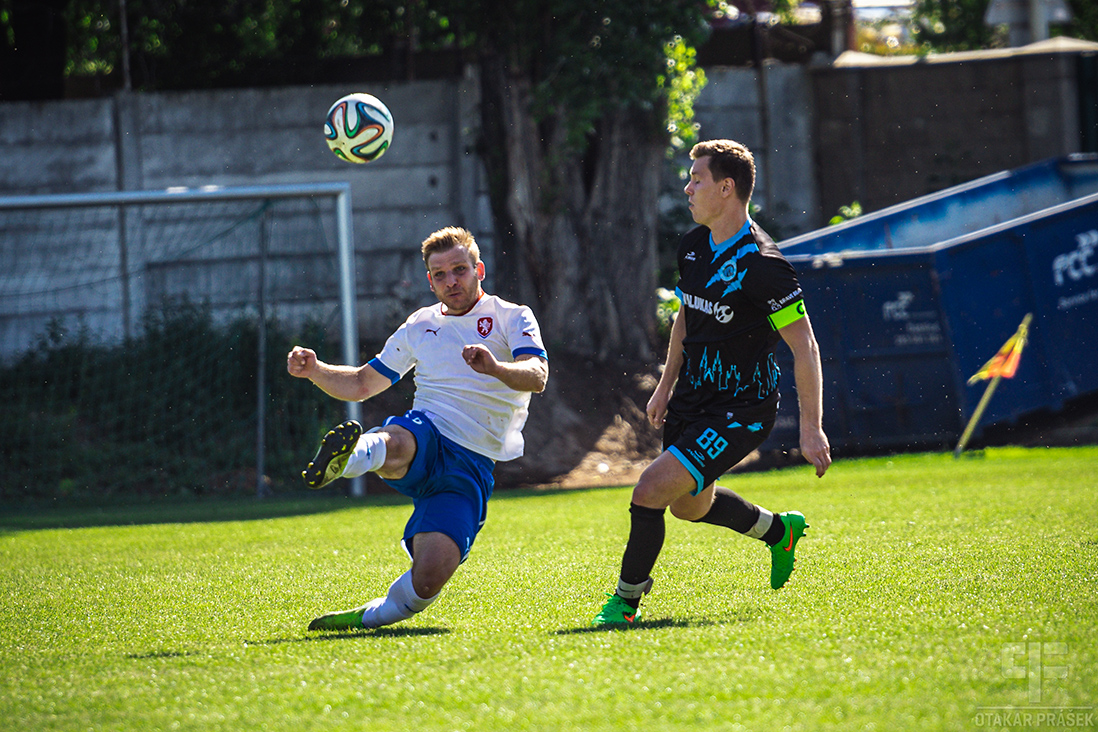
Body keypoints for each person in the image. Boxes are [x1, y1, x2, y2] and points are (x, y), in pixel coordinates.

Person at [592, 139, 831, 626]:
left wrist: (812, 428)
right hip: (691, 401)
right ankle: (778, 531)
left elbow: (805, 346)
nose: (687, 188)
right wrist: (665, 385)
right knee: (689, 507)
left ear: (726, 188)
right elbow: (686, 316)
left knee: (649, 489)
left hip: (741, 409)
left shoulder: (764, 265)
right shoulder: (694, 246)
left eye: (697, 179)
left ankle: (624, 603)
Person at [287, 226, 548, 631]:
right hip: (428, 431)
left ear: (479, 269)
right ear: (430, 280)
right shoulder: (419, 324)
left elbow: (537, 374)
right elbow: (361, 384)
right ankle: (347, 460)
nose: (451, 281)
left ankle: (369, 616)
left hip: (471, 465)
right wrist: (315, 370)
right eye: (440, 275)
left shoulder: (511, 316)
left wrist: (495, 367)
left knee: (429, 578)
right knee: (400, 440)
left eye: (459, 270)